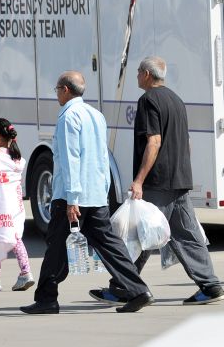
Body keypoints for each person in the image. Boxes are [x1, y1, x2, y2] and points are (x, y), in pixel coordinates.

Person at [21, 71, 154, 315]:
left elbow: (71, 160)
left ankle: (46, 299)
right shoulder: (96, 115)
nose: (57, 94)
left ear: (65, 90)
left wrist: (72, 199)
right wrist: (102, 191)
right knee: (110, 245)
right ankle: (137, 289)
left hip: (72, 197)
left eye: (57, 90)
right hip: (94, 194)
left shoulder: (68, 117)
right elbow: (103, 158)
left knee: (56, 247)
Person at [94, 57, 224, 306]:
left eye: (137, 72)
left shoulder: (148, 101)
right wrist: (182, 170)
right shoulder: (176, 100)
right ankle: (210, 285)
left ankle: (123, 286)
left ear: (146, 74)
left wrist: (139, 180)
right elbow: (186, 142)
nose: (135, 76)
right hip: (179, 179)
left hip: (158, 181)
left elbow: (153, 141)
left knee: (138, 234)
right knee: (187, 235)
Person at [0, 118, 34, 292]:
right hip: (15, 206)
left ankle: (19, 273)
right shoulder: (18, 159)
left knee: (2, 239)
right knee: (9, 239)